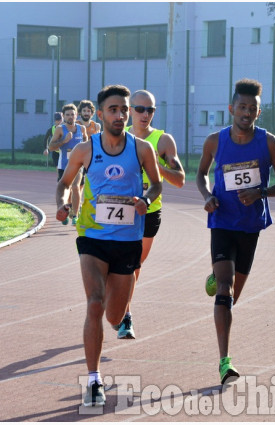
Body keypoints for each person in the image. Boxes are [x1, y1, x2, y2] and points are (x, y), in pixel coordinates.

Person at [56, 84, 162, 407]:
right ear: (100, 114)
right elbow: (65, 183)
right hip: (92, 237)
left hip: (128, 240)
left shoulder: (142, 149)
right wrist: (62, 203)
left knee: (114, 315)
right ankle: (93, 379)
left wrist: (145, 199)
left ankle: (119, 320)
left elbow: (156, 183)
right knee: (94, 302)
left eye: (125, 110)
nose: (121, 115)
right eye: (114, 110)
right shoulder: (85, 150)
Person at [196, 78, 275, 385]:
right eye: (242, 107)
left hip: (250, 226)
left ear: (258, 112)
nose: (246, 112)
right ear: (231, 108)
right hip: (222, 222)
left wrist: (261, 192)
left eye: (252, 108)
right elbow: (200, 175)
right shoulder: (214, 140)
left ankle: (217, 276)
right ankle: (225, 362)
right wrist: (208, 196)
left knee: (233, 295)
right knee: (225, 290)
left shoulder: (269, 142)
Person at [113, 89, 186, 339]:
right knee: (118, 264)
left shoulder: (163, 140)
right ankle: (123, 314)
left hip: (149, 212)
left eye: (151, 110)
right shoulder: (118, 138)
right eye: (140, 109)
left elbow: (180, 180)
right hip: (120, 209)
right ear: (129, 110)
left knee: (133, 266)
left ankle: (124, 314)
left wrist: (158, 166)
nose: (146, 115)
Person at [48, 103, 88, 225]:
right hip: (64, 165)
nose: (71, 117)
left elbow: (86, 143)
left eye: (73, 114)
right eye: (68, 115)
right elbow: (51, 146)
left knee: (76, 187)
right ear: (64, 116)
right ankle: (63, 210)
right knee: (66, 188)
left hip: (78, 164)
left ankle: (75, 215)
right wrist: (64, 141)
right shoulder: (60, 129)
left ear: (77, 115)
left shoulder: (81, 129)